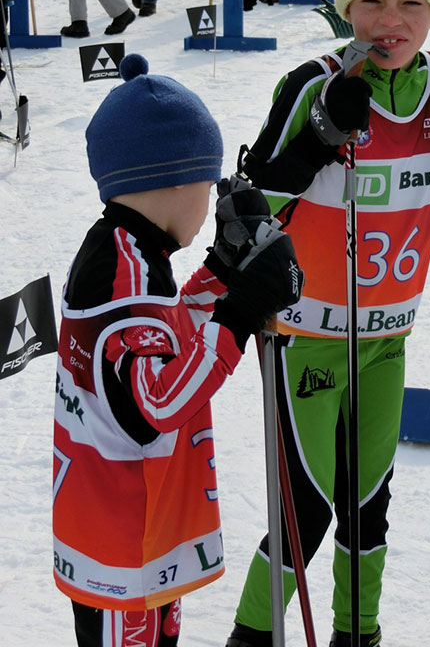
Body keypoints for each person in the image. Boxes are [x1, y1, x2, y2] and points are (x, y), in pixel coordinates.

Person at [225, 0, 430, 647]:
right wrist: (320, 135)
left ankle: (360, 633)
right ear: (346, 6)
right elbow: (247, 210)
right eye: (372, 2)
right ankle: (253, 636)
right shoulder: (311, 83)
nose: (390, 21)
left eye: (412, 3)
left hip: (387, 341)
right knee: (307, 505)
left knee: (367, 503)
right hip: (304, 339)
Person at [53, 52, 303, 647]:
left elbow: (168, 336)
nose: (209, 204)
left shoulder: (130, 254)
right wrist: (240, 312)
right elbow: (154, 406)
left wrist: (222, 270)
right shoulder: (123, 273)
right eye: (206, 184)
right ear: (168, 180)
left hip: (140, 534)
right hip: (121, 546)